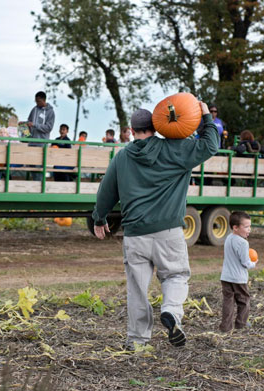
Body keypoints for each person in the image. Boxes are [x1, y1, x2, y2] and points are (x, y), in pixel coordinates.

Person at [91, 103, 219, 349]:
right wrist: (205, 115)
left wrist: (100, 218)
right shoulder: (175, 149)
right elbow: (210, 144)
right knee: (175, 275)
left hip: (135, 235)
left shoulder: (122, 157)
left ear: (132, 130)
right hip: (168, 232)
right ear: (156, 126)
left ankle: (138, 341)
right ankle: (171, 312)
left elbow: (106, 191)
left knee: (137, 289)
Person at [219, 211, 256, 332]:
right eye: (246, 227)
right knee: (244, 301)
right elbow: (245, 262)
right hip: (238, 278)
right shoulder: (243, 243)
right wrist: (253, 264)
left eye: (250, 226)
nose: (249, 229)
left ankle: (226, 327)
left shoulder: (229, 238)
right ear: (235, 227)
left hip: (226, 277)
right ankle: (241, 323)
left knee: (228, 302)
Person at [27, 91, 54, 181]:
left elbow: (48, 128)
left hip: (42, 144)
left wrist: (35, 125)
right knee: (31, 166)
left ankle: (40, 187)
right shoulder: (34, 109)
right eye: (35, 101)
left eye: (38, 101)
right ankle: (35, 186)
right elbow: (29, 121)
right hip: (32, 143)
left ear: (44, 100)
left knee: (39, 168)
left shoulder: (50, 112)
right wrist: (25, 125)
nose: (37, 103)